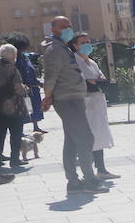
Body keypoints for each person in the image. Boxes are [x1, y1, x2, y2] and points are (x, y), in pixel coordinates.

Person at [41, 15, 105, 194]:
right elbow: (50, 75)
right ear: (53, 29)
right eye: (64, 26)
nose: (69, 29)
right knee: (85, 139)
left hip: (73, 98)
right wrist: (47, 97)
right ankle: (89, 181)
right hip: (67, 99)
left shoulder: (63, 47)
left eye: (69, 25)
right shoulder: (54, 49)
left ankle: (74, 183)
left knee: (72, 141)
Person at [72, 34, 118, 180]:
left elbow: (103, 81)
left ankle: (101, 169)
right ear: (75, 45)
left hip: (97, 103)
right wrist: (93, 83)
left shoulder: (92, 63)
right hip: (84, 104)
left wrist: (95, 82)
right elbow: (83, 84)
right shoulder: (74, 63)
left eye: (88, 42)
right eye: (82, 42)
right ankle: (88, 172)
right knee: (88, 139)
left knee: (100, 136)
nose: (87, 45)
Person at [0, 43, 28, 171]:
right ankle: (15, 160)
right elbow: (18, 88)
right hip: (12, 107)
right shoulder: (11, 68)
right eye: (14, 54)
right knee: (15, 134)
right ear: (12, 55)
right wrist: (26, 90)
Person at [10, 35, 46, 134]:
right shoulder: (15, 60)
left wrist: (38, 82)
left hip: (33, 87)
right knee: (23, 108)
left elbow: (30, 71)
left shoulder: (26, 57)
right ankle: (20, 131)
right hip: (23, 88)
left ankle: (36, 126)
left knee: (35, 107)